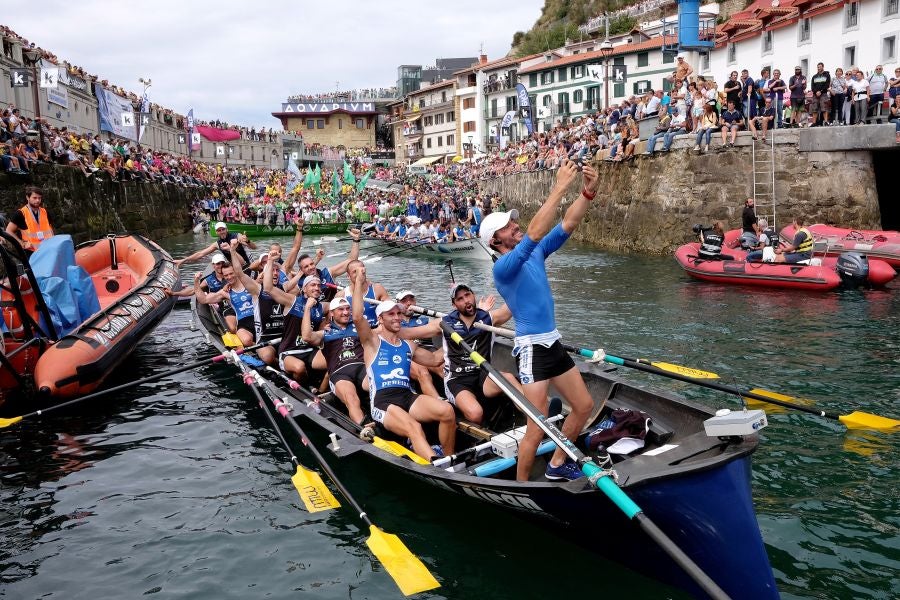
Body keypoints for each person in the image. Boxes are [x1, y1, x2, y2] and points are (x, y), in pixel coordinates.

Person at [479, 160, 600, 482]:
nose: (515, 227)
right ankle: (522, 488)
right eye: (507, 227)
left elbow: (567, 224)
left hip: (552, 343)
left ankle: (558, 465)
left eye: (514, 223)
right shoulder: (503, 267)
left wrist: (587, 193)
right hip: (531, 349)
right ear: (495, 240)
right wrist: (559, 187)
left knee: (584, 405)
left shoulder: (534, 253)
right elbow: (534, 232)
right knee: (539, 421)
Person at [350, 265, 454, 461]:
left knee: (447, 411)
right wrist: (358, 283)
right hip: (383, 401)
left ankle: (450, 460)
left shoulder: (408, 345)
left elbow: (435, 359)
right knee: (414, 427)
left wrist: (456, 337)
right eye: (391, 314)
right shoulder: (372, 342)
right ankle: (437, 466)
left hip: (407, 396)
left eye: (398, 313)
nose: (397, 317)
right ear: (380, 319)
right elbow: (357, 316)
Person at [398, 283, 522, 426]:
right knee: (476, 413)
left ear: (473, 295)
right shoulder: (445, 323)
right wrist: (386, 326)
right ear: (454, 305)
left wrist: (519, 279)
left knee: (509, 379)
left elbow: (513, 304)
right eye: (460, 299)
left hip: (483, 375)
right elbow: (409, 333)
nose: (466, 300)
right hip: (457, 380)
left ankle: (535, 421)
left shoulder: (489, 318)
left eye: (467, 295)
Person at [301, 296, 369, 425]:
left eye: (348, 309)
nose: (345, 312)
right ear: (332, 313)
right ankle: (365, 430)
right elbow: (306, 336)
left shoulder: (359, 327)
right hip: (340, 373)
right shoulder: (325, 333)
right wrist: (307, 309)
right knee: (351, 398)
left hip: (361, 368)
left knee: (379, 386)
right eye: (341, 309)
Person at [176, 221, 256, 269]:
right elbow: (200, 254)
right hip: (237, 267)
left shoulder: (237, 236)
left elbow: (254, 247)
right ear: (216, 232)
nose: (221, 232)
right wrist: (183, 260)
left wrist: (248, 241)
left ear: (226, 229)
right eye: (219, 230)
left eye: (223, 229)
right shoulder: (217, 244)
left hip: (249, 264)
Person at [6, 186, 54, 254]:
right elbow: (8, 230)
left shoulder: (45, 212)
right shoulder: (20, 213)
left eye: (39, 198)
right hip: (32, 252)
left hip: (48, 250)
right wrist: (21, 243)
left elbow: (50, 230)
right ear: (27, 198)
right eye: (34, 198)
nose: (37, 200)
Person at [809, 63, 831, 127]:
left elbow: (827, 84)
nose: (818, 68)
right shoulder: (814, 76)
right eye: (818, 67)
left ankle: (826, 122)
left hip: (823, 94)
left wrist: (820, 91)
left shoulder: (827, 75)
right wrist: (816, 92)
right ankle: (814, 122)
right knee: (814, 109)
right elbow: (812, 86)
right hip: (815, 95)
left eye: (820, 67)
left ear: (823, 67)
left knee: (824, 108)